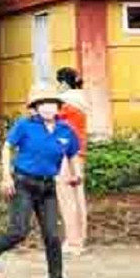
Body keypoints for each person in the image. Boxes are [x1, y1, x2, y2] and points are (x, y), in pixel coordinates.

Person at [0, 84, 82, 278]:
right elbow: (7, 147)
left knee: (52, 235)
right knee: (18, 231)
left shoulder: (65, 130)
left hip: (47, 187)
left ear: (58, 107)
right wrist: (6, 177)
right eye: (43, 104)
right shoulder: (25, 125)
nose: (48, 108)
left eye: (51, 104)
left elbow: (72, 154)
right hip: (23, 184)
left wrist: (76, 173)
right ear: (36, 107)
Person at [55, 68, 89, 255]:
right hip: (80, 152)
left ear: (63, 83)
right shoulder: (82, 101)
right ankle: (80, 238)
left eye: (58, 83)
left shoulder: (64, 104)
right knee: (78, 195)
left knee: (66, 196)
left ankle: (73, 242)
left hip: (65, 153)